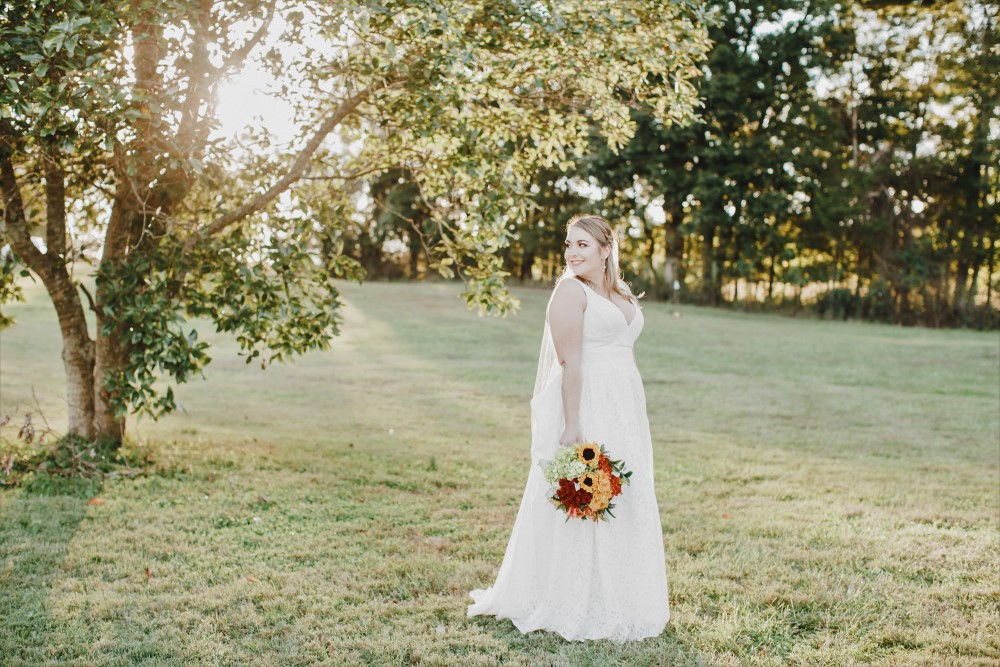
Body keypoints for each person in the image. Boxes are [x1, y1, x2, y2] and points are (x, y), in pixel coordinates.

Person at [467, 214, 670, 642]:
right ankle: (569, 597)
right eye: (569, 245)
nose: (572, 253)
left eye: (582, 245)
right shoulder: (568, 291)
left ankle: (623, 595)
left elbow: (622, 351)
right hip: (587, 400)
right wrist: (574, 422)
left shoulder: (620, 292)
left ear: (605, 249)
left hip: (624, 405)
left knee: (625, 493)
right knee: (588, 494)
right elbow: (569, 361)